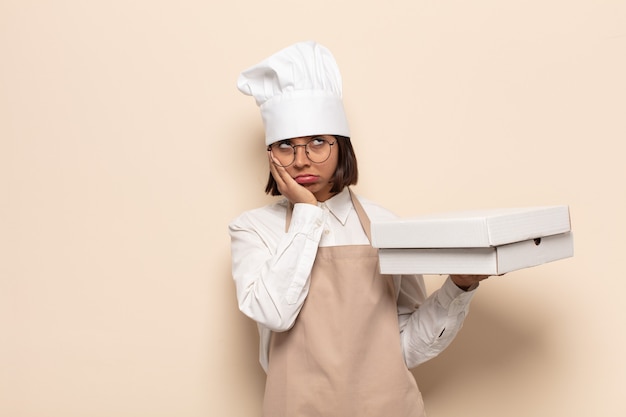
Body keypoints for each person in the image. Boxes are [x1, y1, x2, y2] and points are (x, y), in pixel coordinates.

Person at [229, 41, 490, 417]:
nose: (301, 159)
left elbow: (403, 348)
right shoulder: (253, 229)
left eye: (318, 142)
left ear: (341, 146)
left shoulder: (385, 225)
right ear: (271, 155)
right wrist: (306, 213)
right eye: (286, 145)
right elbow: (273, 314)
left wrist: (459, 287)